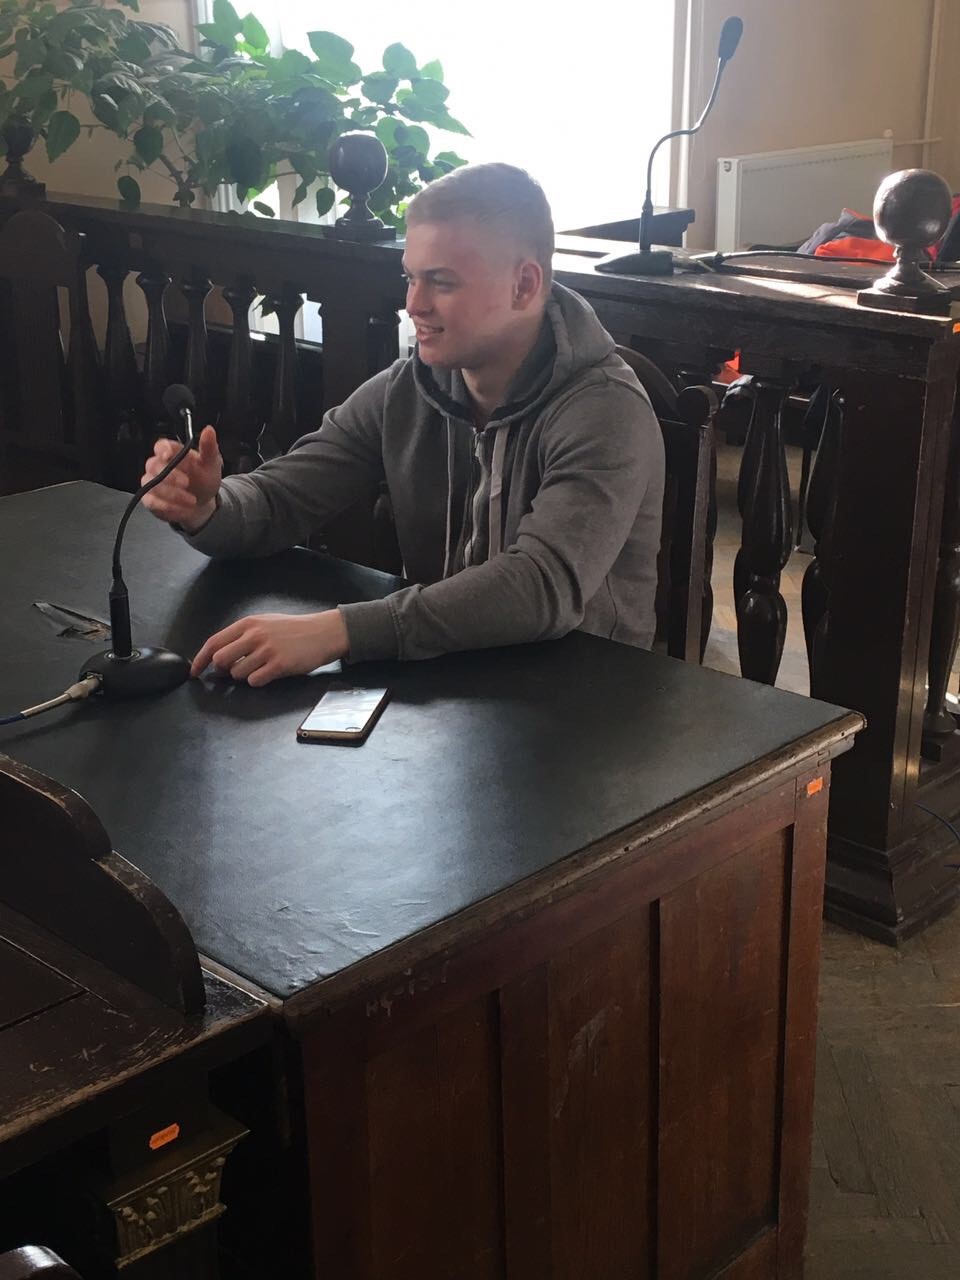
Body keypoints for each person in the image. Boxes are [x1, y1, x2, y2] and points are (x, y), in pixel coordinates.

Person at [141, 162, 665, 687]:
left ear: (523, 285)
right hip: (445, 677)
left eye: (442, 282)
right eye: (411, 278)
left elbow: (541, 586)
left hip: (585, 699)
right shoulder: (407, 388)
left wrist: (339, 631)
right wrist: (208, 507)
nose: (414, 304)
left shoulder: (606, 409)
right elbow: (282, 498)